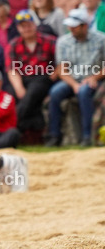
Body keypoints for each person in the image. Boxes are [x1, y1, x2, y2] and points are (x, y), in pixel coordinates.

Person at [45, 9, 105, 147]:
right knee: (55, 92)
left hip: (93, 78)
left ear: (85, 26)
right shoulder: (63, 41)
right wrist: (74, 85)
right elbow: (62, 70)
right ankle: (54, 135)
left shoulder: (101, 39)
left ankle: (87, 135)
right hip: (72, 80)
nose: (70, 29)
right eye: (69, 25)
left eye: (75, 26)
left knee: (84, 92)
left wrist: (94, 77)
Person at [6, 10, 57, 142]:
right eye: (22, 26)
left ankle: (9, 128)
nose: (26, 29)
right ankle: (24, 130)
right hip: (22, 79)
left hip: (42, 78)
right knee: (10, 95)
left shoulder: (50, 41)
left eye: (29, 25)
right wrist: (19, 88)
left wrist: (53, 75)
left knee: (32, 93)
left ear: (35, 25)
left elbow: (61, 63)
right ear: (18, 28)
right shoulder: (13, 45)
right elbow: (12, 70)